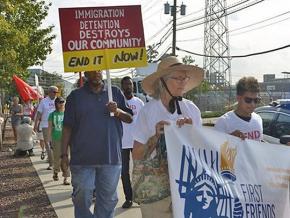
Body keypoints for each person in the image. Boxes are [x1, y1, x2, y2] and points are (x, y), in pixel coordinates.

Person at [132, 56, 204, 218]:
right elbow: (136, 155)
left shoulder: (191, 110)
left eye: (184, 78)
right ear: (162, 82)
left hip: (187, 186)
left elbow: (202, 152)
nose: (183, 82)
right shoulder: (148, 111)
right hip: (156, 189)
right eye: (177, 78)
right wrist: (156, 137)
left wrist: (192, 133)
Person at [61, 71, 133, 218]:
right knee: (82, 197)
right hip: (82, 159)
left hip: (111, 157)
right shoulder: (75, 97)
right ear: (86, 72)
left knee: (108, 201)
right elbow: (67, 127)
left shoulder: (115, 92)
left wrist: (117, 111)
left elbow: (129, 118)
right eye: (93, 69)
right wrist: (63, 155)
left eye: (99, 69)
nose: (97, 72)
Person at [120, 76, 144, 209]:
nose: (128, 86)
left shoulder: (139, 102)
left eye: (130, 84)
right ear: (122, 86)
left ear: (133, 86)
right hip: (122, 142)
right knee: (124, 172)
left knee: (139, 170)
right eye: (125, 84)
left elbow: (144, 121)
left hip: (137, 141)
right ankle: (128, 198)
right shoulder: (118, 102)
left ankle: (140, 196)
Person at [215, 76, 263, 141]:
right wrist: (230, 139)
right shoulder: (223, 122)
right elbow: (215, 148)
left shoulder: (258, 119)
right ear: (238, 98)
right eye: (248, 100)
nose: (253, 104)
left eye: (256, 100)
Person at [34, 86, 58, 170]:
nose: (56, 94)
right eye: (54, 92)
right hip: (45, 125)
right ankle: (51, 163)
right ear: (49, 92)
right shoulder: (43, 101)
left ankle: (55, 160)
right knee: (47, 144)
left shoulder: (58, 100)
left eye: (57, 92)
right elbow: (39, 113)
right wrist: (35, 125)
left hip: (56, 125)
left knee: (54, 144)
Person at [48, 96, 70, 185]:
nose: (61, 104)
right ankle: (56, 171)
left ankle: (66, 178)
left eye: (62, 102)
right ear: (56, 104)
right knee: (57, 158)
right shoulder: (52, 114)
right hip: (56, 138)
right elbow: (49, 128)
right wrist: (49, 140)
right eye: (59, 102)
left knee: (66, 158)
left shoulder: (68, 114)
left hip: (67, 139)